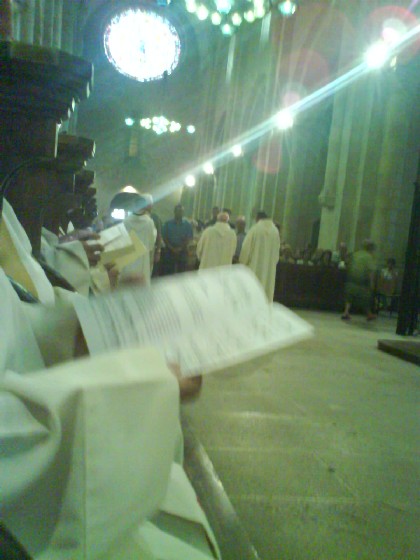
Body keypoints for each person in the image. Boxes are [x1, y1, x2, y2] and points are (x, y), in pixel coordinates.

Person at [239, 211, 281, 302]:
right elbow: (277, 255)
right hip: (269, 271)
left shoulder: (255, 229)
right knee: (266, 296)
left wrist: (242, 263)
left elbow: (245, 250)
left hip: (253, 269)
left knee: (252, 297)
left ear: (257, 219)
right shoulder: (275, 231)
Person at [120, 193, 157, 286]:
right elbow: (151, 243)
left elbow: (122, 242)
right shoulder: (149, 222)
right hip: (142, 259)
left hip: (128, 259)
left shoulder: (126, 221)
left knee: (127, 288)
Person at [341, 239, 377, 321]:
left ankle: (346, 312)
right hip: (361, 281)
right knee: (366, 297)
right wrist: (372, 283)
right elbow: (371, 270)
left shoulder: (356, 254)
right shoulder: (369, 257)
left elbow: (348, 262)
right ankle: (369, 314)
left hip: (351, 278)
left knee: (349, 297)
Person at [162, 204, 193, 275]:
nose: (180, 213)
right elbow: (164, 238)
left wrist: (180, 248)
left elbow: (189, 238)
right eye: (179, 211)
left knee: (181, 274)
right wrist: (172, 248)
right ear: (174, 212)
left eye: (182, 211)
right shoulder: (167, 224)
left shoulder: (187, 224)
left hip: (182, 252)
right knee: (169, 274)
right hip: (169, 252)